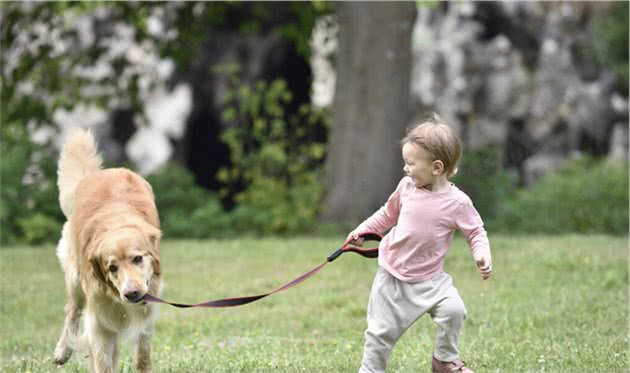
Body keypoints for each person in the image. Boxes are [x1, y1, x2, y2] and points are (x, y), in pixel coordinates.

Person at [347, 114, 492, 373]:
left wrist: (482, 255)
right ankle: (371, 370)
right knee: (379, 335)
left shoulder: (457, 203)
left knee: (454, 310)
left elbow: (476, 232)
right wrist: (363, 230)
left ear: (436, 168)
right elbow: (387, 214)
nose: (406, 169)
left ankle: (444, 361)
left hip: (431, 280)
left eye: (411, 163)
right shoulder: (406, 188)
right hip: (392, 278)